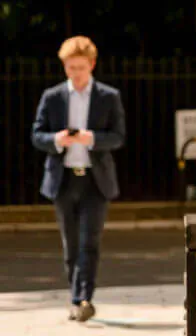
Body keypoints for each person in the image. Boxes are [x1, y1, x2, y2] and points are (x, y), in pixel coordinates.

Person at [30, 36, 125, 323]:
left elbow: (119, 137)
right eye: (70, 68)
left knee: (90, 241)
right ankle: (75, 295)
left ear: (92, 65)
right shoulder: (53, 96)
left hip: (95, 181)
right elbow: (37, 135)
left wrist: (92, 139)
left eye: (81, 67)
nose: (76, 73)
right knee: (70, 244)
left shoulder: (109, 96)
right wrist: (57, 139)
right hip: (64, 179)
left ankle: (84, 298)